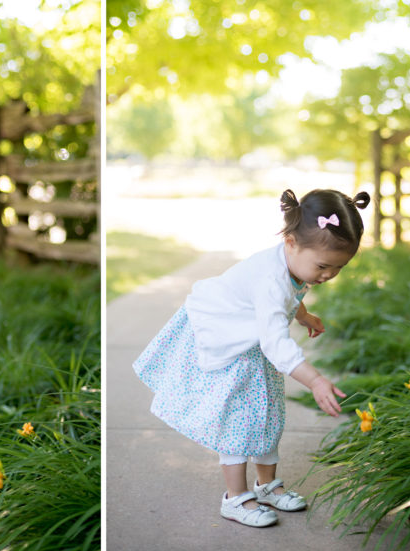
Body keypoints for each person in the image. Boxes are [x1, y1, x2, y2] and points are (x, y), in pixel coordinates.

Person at [133, 188, 370, 528]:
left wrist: (302, 315)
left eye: (338, 268)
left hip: (251, 340)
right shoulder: (270, 280)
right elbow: (277, 342)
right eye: (323, 266)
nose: (328, 276)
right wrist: (315, 380)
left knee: (268, 413)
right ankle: (234, 498)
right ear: (290, 242)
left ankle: (267, 487)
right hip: (227, 340)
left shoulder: (293, 264)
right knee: (238, 419)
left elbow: (293, 291)